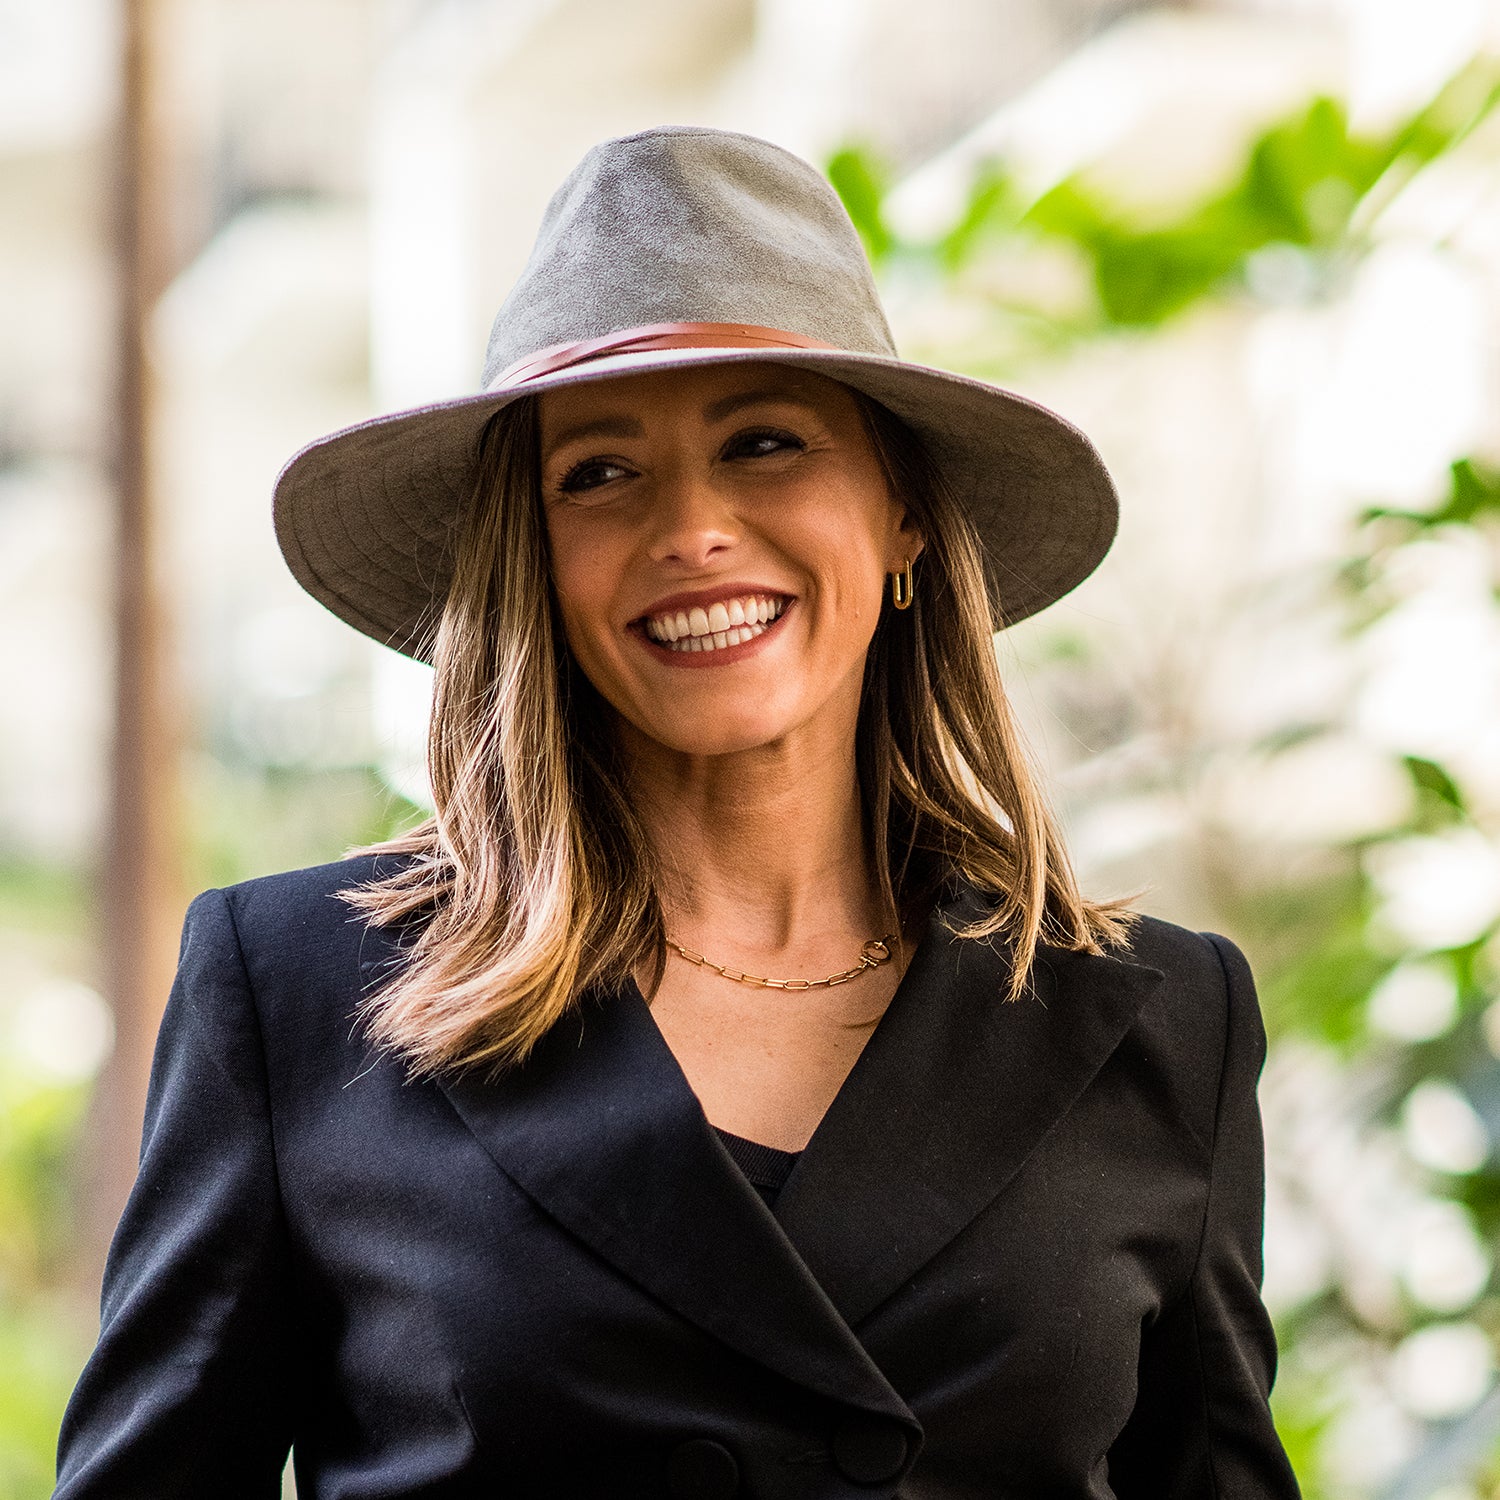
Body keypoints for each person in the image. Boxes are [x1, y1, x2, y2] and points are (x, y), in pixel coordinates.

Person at [55, 126, 1302, 1499]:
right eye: (598, 472)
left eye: (765, 443)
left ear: (902, 516)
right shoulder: (296, 995)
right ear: (534, 557)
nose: (691, 528)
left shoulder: (1157, 1018)